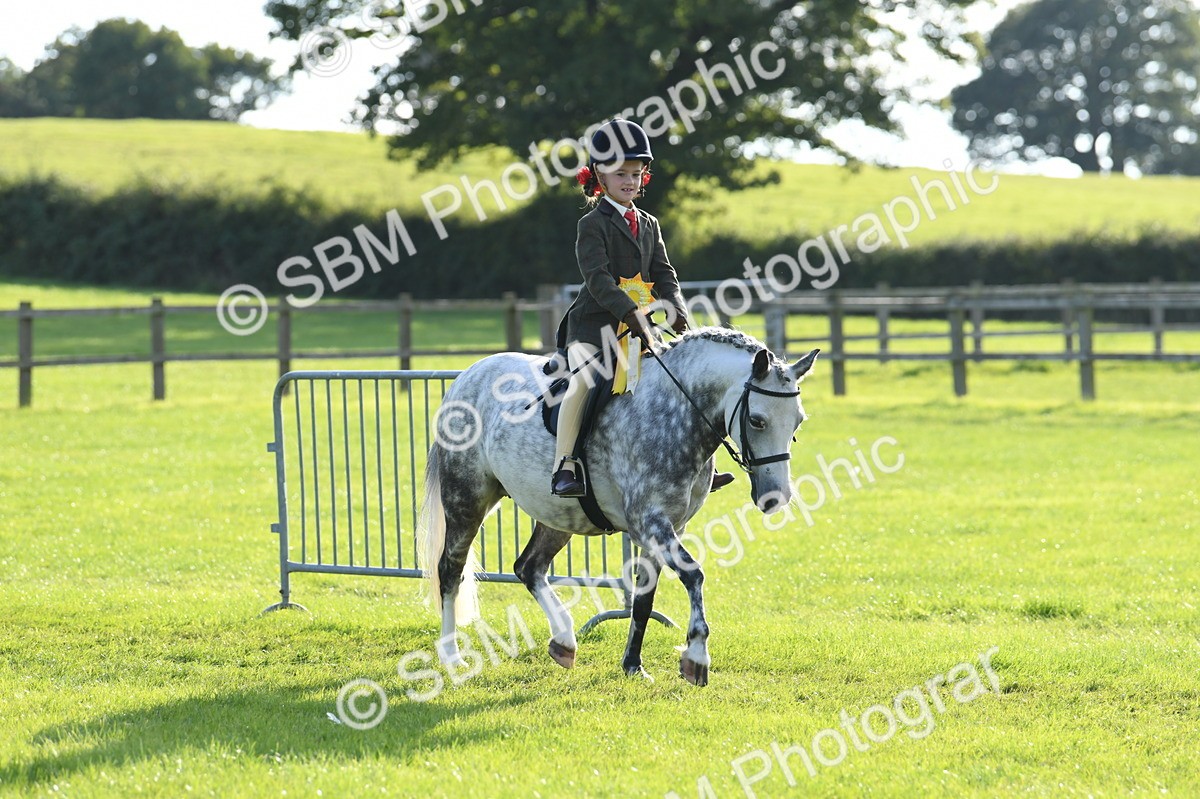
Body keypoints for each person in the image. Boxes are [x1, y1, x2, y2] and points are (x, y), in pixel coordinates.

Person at [550, 118, 734, 497]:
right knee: (584, 383)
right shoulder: (592, 225)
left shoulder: (649, 223)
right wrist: (630, 313)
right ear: (600, 176)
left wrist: (678, 308)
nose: (630, 181)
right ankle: (565, 464)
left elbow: (664, 271)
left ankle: (695, 466)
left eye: (636, 173)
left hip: (640, 329)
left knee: (678, 379)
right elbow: (598, 280)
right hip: (593, 329)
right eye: (620, 174)